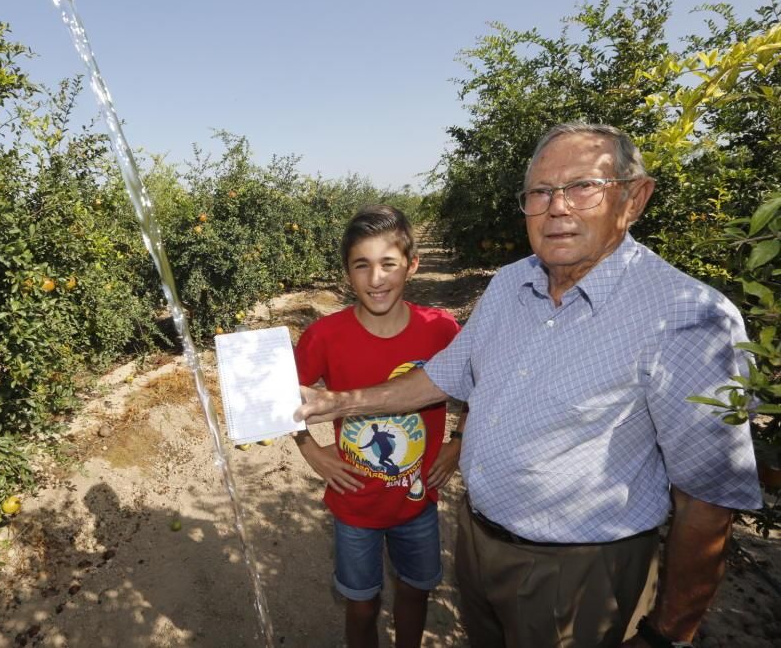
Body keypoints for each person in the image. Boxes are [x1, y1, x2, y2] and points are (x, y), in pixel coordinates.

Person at [295, 123, 762, 648]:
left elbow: (708, 496)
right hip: (479, 546)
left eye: (583, 186)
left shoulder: (688, 318)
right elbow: (439, 378)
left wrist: (669, 634)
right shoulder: (509, 284)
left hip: (579, 573)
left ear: (633, 199)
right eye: (540, 192)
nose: (557, 207)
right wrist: (335, 403)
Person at [293, 204, 462, 648]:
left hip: (418, 499)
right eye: (361, 265)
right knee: (361, 605)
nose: (376, 279)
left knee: (414, 589)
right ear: (347, 273)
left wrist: (458, 442)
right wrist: (310, 449)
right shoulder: (325, 336)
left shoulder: (440, 330)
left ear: (412, 264)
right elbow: (278, 399)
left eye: (388, 263)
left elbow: (480, 385)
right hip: (355, 504)